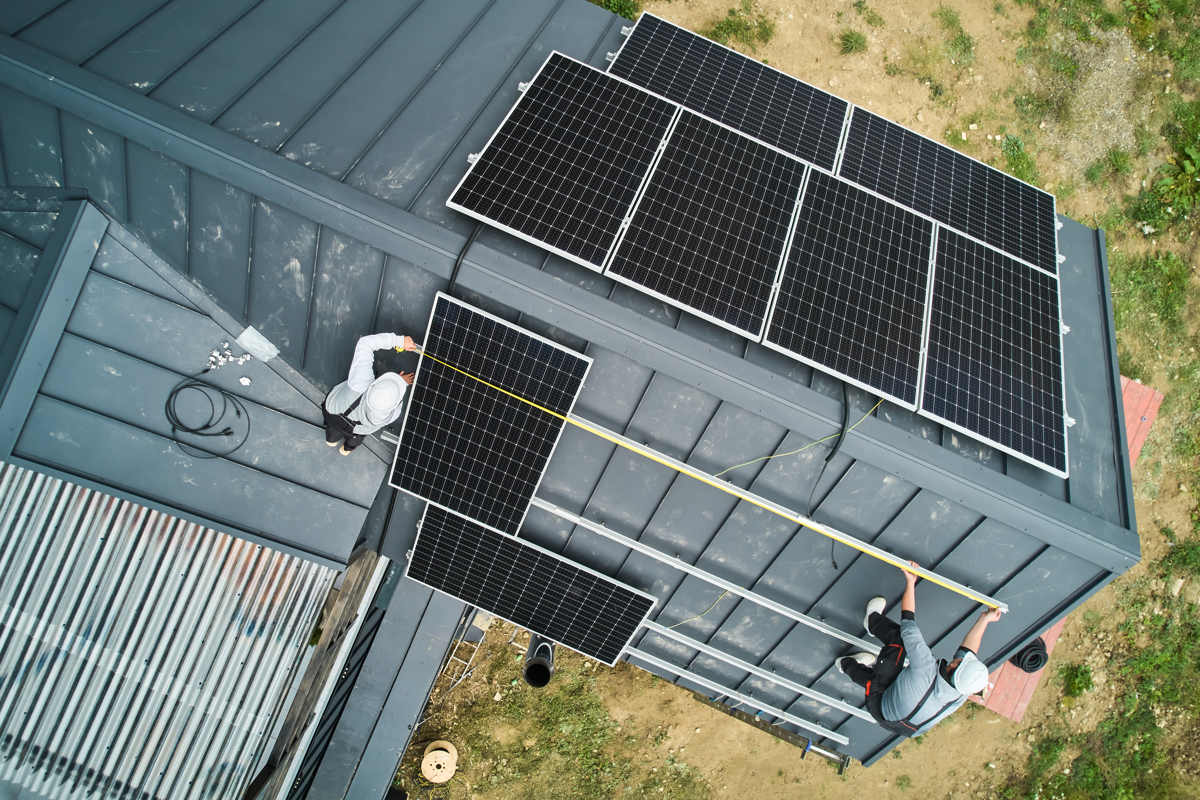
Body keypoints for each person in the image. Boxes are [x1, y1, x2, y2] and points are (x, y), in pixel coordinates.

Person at [837, 560, 1004, 737]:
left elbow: (908, 623)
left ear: (955, 666)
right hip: (908, 722)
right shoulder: (961, 692)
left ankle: (849, 657)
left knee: (899, 640)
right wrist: (984, 619)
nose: (967, 656)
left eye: (965, 660)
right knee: (889, 678)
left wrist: (910, 582)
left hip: (880, 705)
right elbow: (968, 650)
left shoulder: (925, 669)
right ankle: (866, 668)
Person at [322, 332, 417, 455]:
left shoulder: (360, 382)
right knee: (355, 439)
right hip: (357, 431)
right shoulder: (391, 415)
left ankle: (331, 440)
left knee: (333, 432)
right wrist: (401, 383)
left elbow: (365, 344)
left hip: (334, 413)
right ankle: (346, 449)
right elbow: (392, 403)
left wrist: (398, 341)